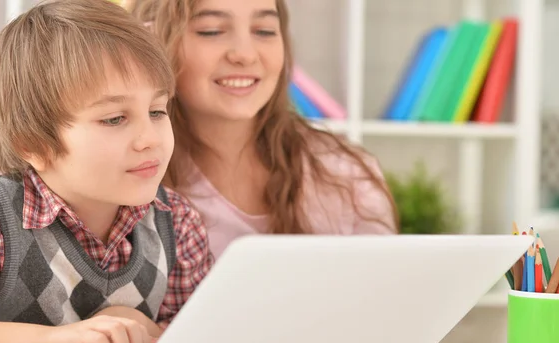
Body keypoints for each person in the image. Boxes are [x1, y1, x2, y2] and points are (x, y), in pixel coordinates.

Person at [0, 0, 213, 343]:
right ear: (34, 144)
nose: (150, 139)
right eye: (114, 118)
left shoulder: (176, 223)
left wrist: (146, 330)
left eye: (157, 111)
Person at [134, 0, 399, 259]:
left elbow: (385, 291)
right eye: (211, 30)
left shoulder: (345, 177)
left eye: (264, 31)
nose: (245, 55)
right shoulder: (131, 181)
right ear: (152, 42)